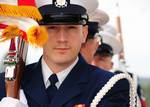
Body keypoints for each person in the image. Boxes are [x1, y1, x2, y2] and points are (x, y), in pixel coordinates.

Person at [0, 0, 130, 107]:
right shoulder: (4, 84)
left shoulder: (109, 86)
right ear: (37, 33)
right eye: (52, 28)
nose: (62, 38)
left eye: (71, 28)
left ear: (84, 34)